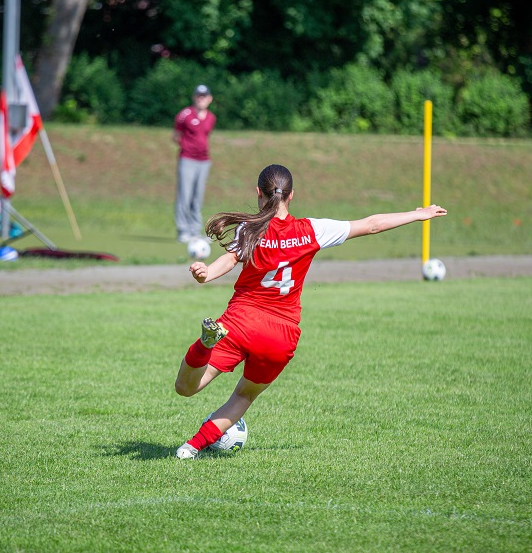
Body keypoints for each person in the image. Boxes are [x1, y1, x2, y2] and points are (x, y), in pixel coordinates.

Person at [173, 164, 448, 459]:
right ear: (291, 195)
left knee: (186, 387)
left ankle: (204, 344)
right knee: (244, 394)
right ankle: (191, 449)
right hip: (281, 336)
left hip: (242, 321)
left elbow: (228, 261)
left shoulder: (249, 228)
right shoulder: (311, 230)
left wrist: (205, 275)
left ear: (258, 193)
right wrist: (418, 214)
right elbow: (372, 224)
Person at [172, 84, 216, 243]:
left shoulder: (211, 117)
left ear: (209, 99)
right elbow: (176, 135)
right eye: (198, 95)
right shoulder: (185, 114)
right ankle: (183, 230)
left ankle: (194, 230)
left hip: (204, 161)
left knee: (197, 196)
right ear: (194, 97)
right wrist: (187, 146)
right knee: (185, 195)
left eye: (204, 96)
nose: (201, 99)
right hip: (188, 159)